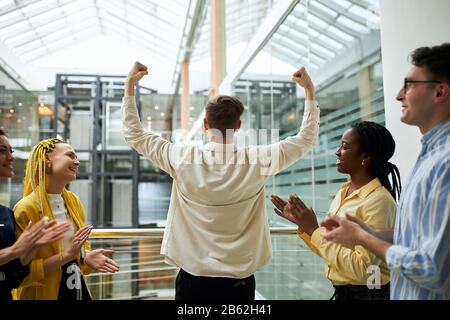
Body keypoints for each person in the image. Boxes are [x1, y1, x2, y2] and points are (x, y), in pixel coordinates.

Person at [122, 62, 320, 300]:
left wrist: (130, 86)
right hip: (239, 282)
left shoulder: (182, 158)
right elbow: (306, 138)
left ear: (206, 124)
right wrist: (309, 91)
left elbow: (135, 134)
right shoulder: (257, 160)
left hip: (192, 280)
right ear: (238, 126)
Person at [321, 43, 450, 300]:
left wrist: (362, 237)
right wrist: (367, 232)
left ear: (439, 92)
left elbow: (435, 269)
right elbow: (417, 237)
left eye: (410, 85)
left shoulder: (444, 163)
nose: (399, 95)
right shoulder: (428, 157)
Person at [271, 121, 402, 300]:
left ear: (365, 157)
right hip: (345, 293)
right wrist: (306, 226)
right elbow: (333, 254)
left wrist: (314, 230)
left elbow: (364, 270)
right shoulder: (344, 192)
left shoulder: (378, 201)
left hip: (369, 294)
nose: (337, 151)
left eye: (345, 146)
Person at [13, 138, 120, 300]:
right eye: (70, 156)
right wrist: (68, 256)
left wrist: (86, 258)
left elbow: (79, 252)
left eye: (76, 157)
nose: (77, 162)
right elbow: (21, 272)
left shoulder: (73, 201)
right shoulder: (26, 208)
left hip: (74, 290)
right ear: (46, 160)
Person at [0, 130, 70, 301]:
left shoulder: (6, 214)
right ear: (47, 161)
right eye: (2, 151)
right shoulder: (24, 208)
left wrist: (27, 249)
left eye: (11, 151)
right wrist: (17, 250)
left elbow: (15, 274)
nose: (11, 157)